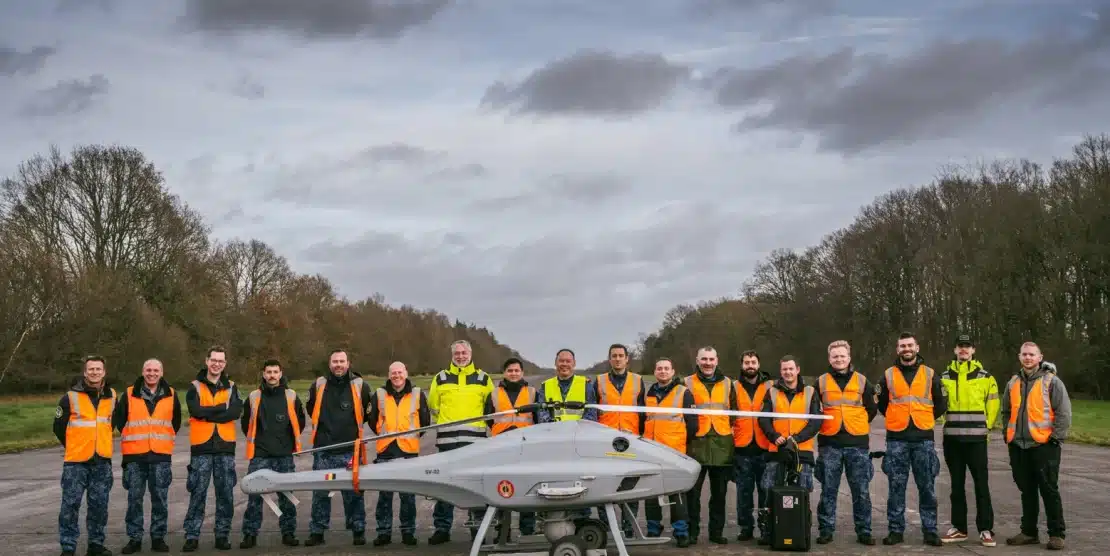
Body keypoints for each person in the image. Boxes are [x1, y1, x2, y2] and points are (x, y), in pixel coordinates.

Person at [876, 332, 947, 546]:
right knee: (896, 487)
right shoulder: (888, 375)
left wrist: (923, 419)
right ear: (897, 350)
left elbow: (941, 403)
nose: (906, 349)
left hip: (923, 438)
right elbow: (882, 404)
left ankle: (930, 530)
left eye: (909, 345)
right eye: (902, 346)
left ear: (917, 347)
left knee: (927, 487)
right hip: (897, 438)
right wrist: (898, 418)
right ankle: (895, 530)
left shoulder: (930, 374)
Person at [1001, 342, 1072, 551]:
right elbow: (1006, 411)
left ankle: (1056, 534)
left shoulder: (1052, 381)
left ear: (1040, 357)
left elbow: (1064, 413)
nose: (1028, 358)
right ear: (1019, 357)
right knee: (1027, 491)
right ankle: (1029, 532)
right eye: (1024, 354)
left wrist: (1055, 438)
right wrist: (1008, 434)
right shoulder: (1013, 382)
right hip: (1018, 446)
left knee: (1049, 490)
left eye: (1032, 354)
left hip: (1044, 446)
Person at [304, 348, 375, 547]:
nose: (338, 365)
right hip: (323, 449)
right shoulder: (318, 385)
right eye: (335, 361)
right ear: (329, 364)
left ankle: (358, 530)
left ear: (348, 363)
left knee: (354, 493)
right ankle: (317, 531)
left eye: (342, 361)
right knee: (320, 493)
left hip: (351, 449)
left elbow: (368, 412)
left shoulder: (361, 386)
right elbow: (311, 409)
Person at [427, 340, 495, 545]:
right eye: (457, 353)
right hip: (447, 442)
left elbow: (490, 407)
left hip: (475, 443)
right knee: (444, 486)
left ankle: (477, 530)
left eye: (464, 353)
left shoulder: (484, 379)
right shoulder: (440, 378)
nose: (460, 356)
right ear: (452, 355)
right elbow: (433, 406)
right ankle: (442, 529)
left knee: (475, 487)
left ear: (471, 354)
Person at [813, 341, 878, 546]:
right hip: (829, 444)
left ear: (849, 357)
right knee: (828, 490)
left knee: (861, 491)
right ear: (829, 359)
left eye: (842, 356)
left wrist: (856, 424)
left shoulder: (863, 381)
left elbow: (871, 409)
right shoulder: (820, 383)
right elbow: (813, 409)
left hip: (857, 444)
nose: (839, 359)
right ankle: (826, 530)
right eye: (835, 356)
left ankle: (864, 530)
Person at [114, 358, 181, 554]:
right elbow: (120, 421)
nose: (152, 374)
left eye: (155, 370)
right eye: (148, 370)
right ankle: (134, 538)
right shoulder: (128, 394)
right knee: (134, 500)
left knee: (160, 499)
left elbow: (175, 422)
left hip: (160, 456)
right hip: (135, 457)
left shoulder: (171, 394)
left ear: (162, 373)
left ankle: (158, 538)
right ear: (143, 372)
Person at [939, 334, 1000, 547]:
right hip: (952, 441)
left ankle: (986, 529)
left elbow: (993, 405)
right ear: (955, 350)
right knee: (956, 486)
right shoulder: (944, 376)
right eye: (960, 346)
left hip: (976, 441)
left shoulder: (986, 377)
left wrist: (986, 427)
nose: (963, 349)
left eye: (967, 346)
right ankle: (959, 528)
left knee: (981, 485)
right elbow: (939, 405)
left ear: (973, 350)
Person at [239, 359, 307, 549]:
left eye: (275, 372)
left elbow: (300, 421)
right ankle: (250, 535)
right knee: (255, 496)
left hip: (284, 455)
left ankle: (288, 533)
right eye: (268, 372)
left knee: (287, 497)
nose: (272, 375)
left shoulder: (291, 396)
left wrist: (287, 442)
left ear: (280, 373)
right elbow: (246, 423)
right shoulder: (253, 397)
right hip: (260, 455)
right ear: (263, 374)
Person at [182, 346, 243, 552]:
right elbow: (195, 411)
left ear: (225, 364)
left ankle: (222, 535)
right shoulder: (195, 386)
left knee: (225, 493)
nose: (217, 364)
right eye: (213, 360)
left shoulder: (232, 387)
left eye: (220, 361)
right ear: (207, 361)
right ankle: (192, 536)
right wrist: (220, 409)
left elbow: (235, 412)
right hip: (201, 447)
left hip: (225, 447)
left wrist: (208, 413)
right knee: (197, 493)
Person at [756, 355, 821, 547]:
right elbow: (763, 418)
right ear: (781, 371)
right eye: (784, 369)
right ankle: (768, 532)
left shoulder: (810, 392)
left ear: (797, 369)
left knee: (803, 492)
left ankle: (801, 531)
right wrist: (774, 436)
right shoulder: (771, 392)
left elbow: (816, 422)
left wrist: (797, 439)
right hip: (776, 450)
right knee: (769, 491)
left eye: (791, 368)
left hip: (802, 452)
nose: (788, 372)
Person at [55, 355, 117, 556]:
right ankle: (68, 547)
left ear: (104, 372)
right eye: (91, 369)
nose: (95, 372)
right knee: (70, 505)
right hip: (76, 463)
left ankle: (96, 545)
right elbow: (58, 427)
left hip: (101, 461)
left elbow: (112, 423)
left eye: (98, 369)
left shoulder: (112, 396)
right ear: (85, 372)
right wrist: (75, 446)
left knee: (99, 506)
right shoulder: (70, 397)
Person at [368, 361, 430, 547]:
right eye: (393, 373)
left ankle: (408, 532)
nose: (397, 376)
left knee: (408, 496)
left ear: (406, 373)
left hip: (408, 451)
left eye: (400, 372)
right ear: (389, 375)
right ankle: (383, 532)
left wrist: (411, 438)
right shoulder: (379, 394)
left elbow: (425, 421)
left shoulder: (417, 394)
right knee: (384, 496)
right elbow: (372, 420)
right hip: (385, 451)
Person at [590, 343, 645, 535]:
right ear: (609, 359)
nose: (618, 359)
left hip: (631, 441)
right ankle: (606, 529)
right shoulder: (599, 381)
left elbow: (643, 412)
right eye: (614, 356)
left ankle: (629, 528)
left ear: (627, 359)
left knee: (630, 485)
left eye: (621, 355)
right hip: (605, 441)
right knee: (604, 485)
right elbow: (592, 411)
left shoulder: (638, 381)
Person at [683, 346, 735, 545]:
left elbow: (735, 412)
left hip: (722, 445)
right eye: (704, 359)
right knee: (692, 493)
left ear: (717, 360)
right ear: (697, 361)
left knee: (719, 494)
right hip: (696, 444)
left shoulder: (729, 384)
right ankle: (692, 532)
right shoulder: (686, 382)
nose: (707, 363)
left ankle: (716, 532)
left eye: (711, 359)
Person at [641, 357, 696, 548]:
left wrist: (680, 444)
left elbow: (692, 424)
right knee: (650, 491)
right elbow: (644, 420)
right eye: (659, 368)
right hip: (651, 450)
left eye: (666, 368)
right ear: (655, 372)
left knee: (677, 493)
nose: (663, 371)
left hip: (675, 452)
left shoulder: (683, 392)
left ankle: (681, 531)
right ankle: (653, 527)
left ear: (673, 372)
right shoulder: (649, 393)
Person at [485, 357, 540, 539]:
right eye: (510, 370)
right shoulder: (494, 394)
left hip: (526, 446)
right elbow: (488, 419)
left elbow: (538, 419)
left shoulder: (532, 393)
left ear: (522, 373)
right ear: (504, 373)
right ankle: (503, 530)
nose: (513, 373)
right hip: (501, 447)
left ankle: (527, 529)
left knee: (527, 486)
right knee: (503, 488)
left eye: (516, 370)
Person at [731, 349, 771, 541]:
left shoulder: (770, 386)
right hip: (742, 448)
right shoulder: (733, 387)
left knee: (765, 492)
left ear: (759, 364)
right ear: (742, 365)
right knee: (743, 492)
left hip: (765, 447)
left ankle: (765, 528)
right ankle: (745, 527)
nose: (750, 366)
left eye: (753, 362)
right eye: (747, 362)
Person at [537, 349, 597, 423]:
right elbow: (541, 413)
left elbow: (591, 413)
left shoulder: (586, 385)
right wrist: (554, 427)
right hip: (553, 429)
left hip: (579, 429)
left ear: (574, 363)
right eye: (561, 361)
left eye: (568, 361)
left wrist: (576, 427)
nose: (564, 364)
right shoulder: (545, 386)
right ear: (555, 363)